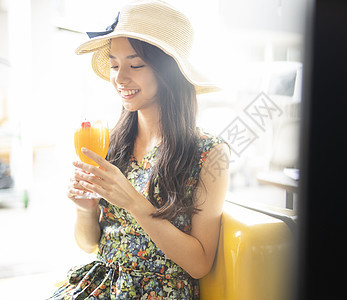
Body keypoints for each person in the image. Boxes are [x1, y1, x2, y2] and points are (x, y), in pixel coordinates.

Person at [48, 0, 229, 299]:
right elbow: (91, 243)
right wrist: (85, 210)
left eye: (135, 65)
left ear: (168, 70)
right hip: (100, 285)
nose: (120, 78)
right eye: (115, 65)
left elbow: (200, 263)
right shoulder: (111, 141)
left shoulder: (209, 152)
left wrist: (133, 202)